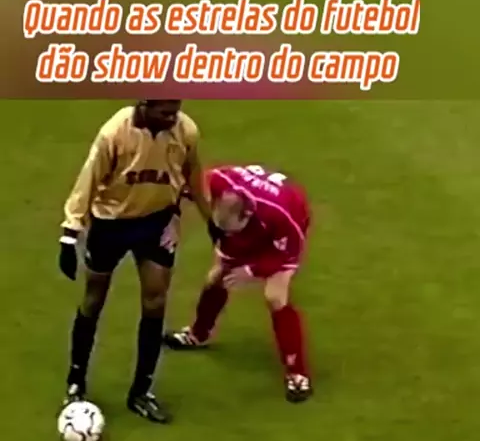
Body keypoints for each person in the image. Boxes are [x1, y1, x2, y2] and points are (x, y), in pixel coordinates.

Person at [59, 100, 218, 423]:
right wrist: (69, 234)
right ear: (144, 105)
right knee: (94, 298)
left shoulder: (185, 130)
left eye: (176, 110)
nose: (173, 117)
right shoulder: (114, 134)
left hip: (156, 222)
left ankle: (141, 392)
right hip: (111, 223)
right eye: (165, 112)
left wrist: (211, 222)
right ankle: (76, 381)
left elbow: (193, 176)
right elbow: (87, 182)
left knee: (156, 301)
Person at [164, 164, 313, 403]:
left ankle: (297, 374)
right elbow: (177, 184)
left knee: (275, 296)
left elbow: (287, 253)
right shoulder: (216, 182)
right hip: (252, 224)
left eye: (231, 230)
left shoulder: (281, 217)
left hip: (283, 232)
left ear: (246, 216)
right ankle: (197, 334)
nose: (228, 236)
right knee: (216, 278)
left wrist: (252, 270)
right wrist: (174, 217)